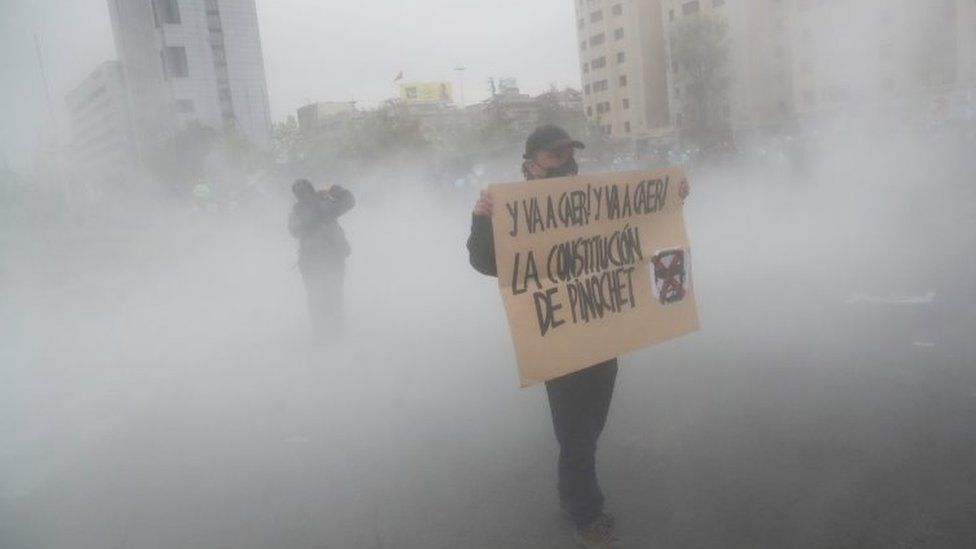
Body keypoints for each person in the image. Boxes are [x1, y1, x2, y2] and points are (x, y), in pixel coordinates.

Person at [466, 125, 689, 548]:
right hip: (558, 339)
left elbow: (643, 231)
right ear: (531, 164)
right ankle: (586, 510)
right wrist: (481, 219)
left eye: (570, 154)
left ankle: (574, 491)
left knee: (591, 425)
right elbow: (487, 263)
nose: (566, 162)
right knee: (576, 434)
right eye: (554, 156)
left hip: (601, 334)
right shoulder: (507, 207)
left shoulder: (593, 198)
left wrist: (672, 197)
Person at [288, 179, 355, 336]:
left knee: (317, 296)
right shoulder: (322, 204)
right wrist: (334, 191)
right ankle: (333, 331)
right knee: (331, 294)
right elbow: (349, 201)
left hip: (314, 260)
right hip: (329, 257)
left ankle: (323, 332)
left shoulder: (297, 210)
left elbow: (293, 230)